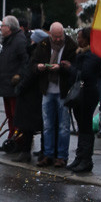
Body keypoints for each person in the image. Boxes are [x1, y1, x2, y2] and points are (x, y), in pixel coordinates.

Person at [66, 26, 101, 174]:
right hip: (81, 93)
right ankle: (80, 157)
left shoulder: (92, 54)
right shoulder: (81, 53)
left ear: (87, 39)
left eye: (80, 37)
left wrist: (69, 68)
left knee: (86, 126)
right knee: (81, 126)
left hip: (88, 93)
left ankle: (86, 160)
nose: (78, 39)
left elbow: (84, 73)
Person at [33, 21, 76, 166]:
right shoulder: (44, 45)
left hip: (63, 91)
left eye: (60, 36)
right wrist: (38, 67)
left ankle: (62, 157)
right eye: (55, 37)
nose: (58, 39)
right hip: (47, 90)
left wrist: (61, 68)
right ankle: (48, 154)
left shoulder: (70, 45)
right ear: (50, 34)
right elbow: (33, 62)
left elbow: (74, 68)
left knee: (64, 126)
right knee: (48, 125)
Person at [10, 28, 46, 162]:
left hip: (30, 94)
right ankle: (43, 151)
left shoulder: (35, 54)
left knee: (28, 125)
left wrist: (20, 86)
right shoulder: (38, 53)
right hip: (35, 93)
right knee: (37, 124)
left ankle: (26, 152)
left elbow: (30, 73)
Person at [0, 15, 29, 152]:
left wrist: (19, 75)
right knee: (10, 115)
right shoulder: (9, 40)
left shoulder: (19, 41)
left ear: (9, 28)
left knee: (16, 115)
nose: (1, 28)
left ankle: (17, 140)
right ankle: (11, 138)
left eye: (2, 26)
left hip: (13, 84)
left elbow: (25, 61)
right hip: (6, 83)